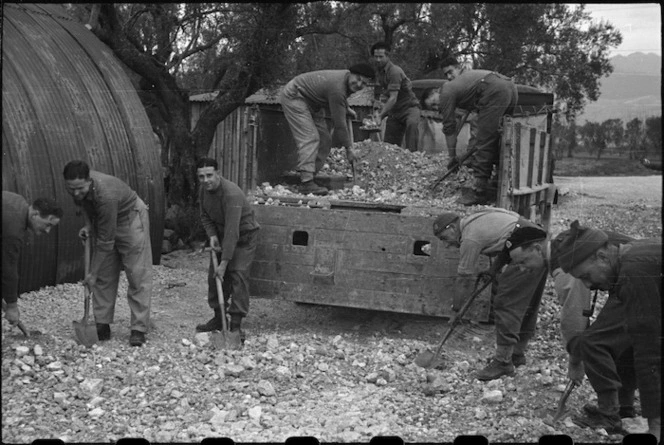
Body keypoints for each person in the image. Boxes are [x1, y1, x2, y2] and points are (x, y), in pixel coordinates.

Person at [507, 226, 640, 431]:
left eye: (523, 262)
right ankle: (624, 408)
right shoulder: (564, 242)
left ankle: (610, 415)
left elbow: (575, 316)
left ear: (537, 248)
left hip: (636, 277)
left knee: (595, 343)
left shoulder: (564, 262)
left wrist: (575, 360)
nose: (523, 269)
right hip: (638, 274)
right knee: (621, 337)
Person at [551, 221, 661, 440]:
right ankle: (623, 409)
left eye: (585, 276)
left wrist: (655, 427)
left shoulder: (633, 273)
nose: (588, 285)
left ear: (601, 257)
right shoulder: (629, 258)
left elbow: (649, 353)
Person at [432, 208, 548, 381]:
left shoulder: (469, 239)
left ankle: (503, 362)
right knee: (526, 303)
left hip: (525, 251)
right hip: (536, 246)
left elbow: (464, 279)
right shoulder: (474, 220)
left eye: (444, 238)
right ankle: (516, 354)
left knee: (505, 303)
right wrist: (493, 270)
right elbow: (511, 236)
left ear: (452, 228)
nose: (446, 244)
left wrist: (456, 310)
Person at [63, 160, 152, 347]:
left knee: (137, 273)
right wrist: (88, 225)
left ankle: (138, 328)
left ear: (89, 181)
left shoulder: (106, 195)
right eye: (72, 189)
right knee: (104, 273)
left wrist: (91, 274)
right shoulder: (76, 187)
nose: (76, 193)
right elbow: (84, 204)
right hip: (106, 219)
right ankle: (102, 324)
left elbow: (105, 242)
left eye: (80, 188)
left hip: (130, 218)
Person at [423, 69, 518, 206]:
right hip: (509, 86)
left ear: (436, 92)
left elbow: (449, 128)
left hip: (494, 89)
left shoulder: (446, 92)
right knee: (499, 137)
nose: (438, 107)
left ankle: (478, 191)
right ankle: (497, 182)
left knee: (485, 140)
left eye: (433, 103)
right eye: (434, 108)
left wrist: (452, 157)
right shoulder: (462, 87)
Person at [279, 63, 375, 196]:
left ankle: (309, 176)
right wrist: (349, 149)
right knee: (311, 137)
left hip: (313, 102)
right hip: (295, 96)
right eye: (358, 79)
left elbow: (337, 99)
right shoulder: (337, 87)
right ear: (350, 73)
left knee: (325, 139)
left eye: (364, 83)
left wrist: (345, 108)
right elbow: (340, 124)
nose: (359, 84)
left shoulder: (344, 82)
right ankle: (306, 183)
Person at [195, 157, 260, 344]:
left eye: (209, 175)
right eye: (201, 177)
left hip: (243, 236)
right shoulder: (204, 191)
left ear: (218, 174)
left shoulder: (231, 194)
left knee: (238, 275)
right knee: (214, 277)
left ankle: (236, 325)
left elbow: (233, 232)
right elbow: (205, 215)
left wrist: (224, 263)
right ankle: (218, 317)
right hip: (223, 234)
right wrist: (212, 235)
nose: (205, 180)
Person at [2, 192, 63, 326]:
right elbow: (8, 268)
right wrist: (12, 306)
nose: (48, 231)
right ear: (35, 214)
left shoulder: (18, 201)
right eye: (48, 225)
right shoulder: (13, 229)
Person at [370, 42, 422, 152]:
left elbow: (393, 98)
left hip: (409, 107)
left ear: (388, 56)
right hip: (395, 111)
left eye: (381, 57)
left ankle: (412, 158)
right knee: (389, 147)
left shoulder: (394, 71)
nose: (378, 60)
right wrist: (375, 109)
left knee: (412, 125)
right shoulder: (378, 71)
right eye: (376, 57)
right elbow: (377, 92)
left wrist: (381, 115)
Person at [439, 56, 479, 160]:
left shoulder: (467, 78)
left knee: (476, 124)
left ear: (458, 68)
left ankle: (472, 159)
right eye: (446, 74)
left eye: (450, 72)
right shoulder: (458, 85)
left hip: (486, 104)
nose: (448, 76)